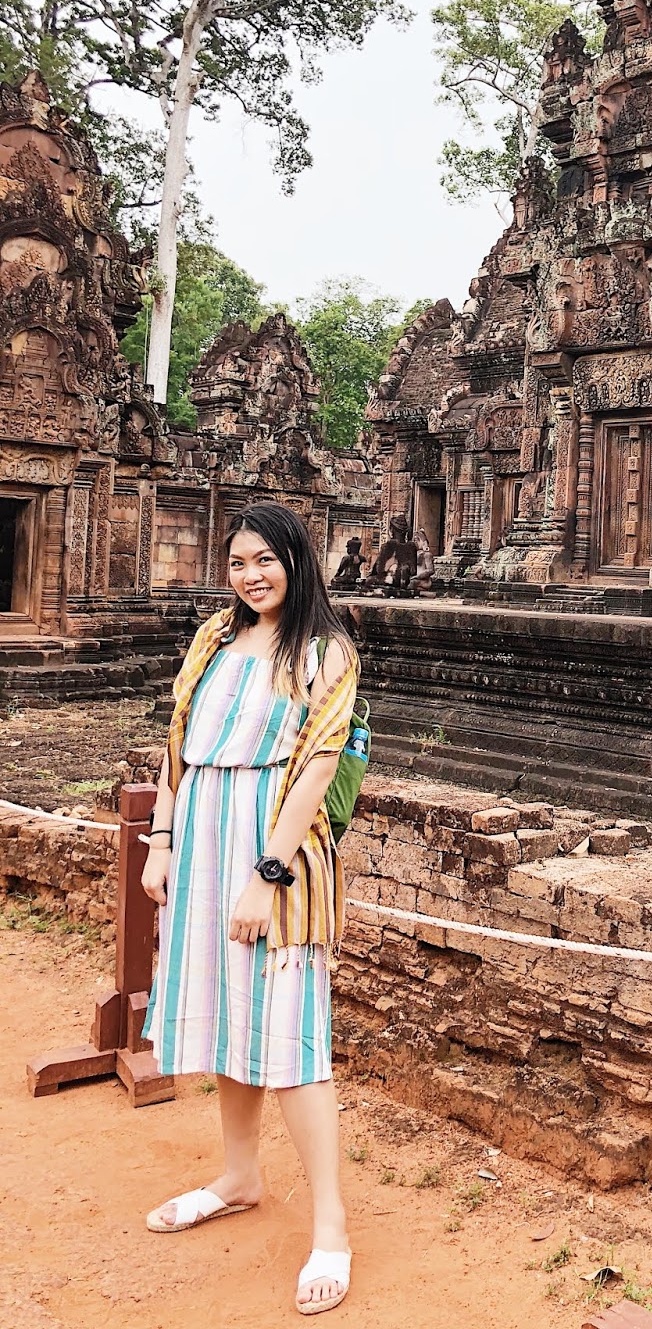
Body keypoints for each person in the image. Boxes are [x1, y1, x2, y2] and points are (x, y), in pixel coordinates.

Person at [141, 501, 359, 1316]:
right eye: (238, 563)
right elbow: (177, 741)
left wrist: (265, 877)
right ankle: (238, 1176)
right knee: (229, 1014)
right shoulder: (214, 638)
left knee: (293, 1032)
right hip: (199, 832)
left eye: (266, 560)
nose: (251, 575)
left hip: (275, 845)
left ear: (299, 561)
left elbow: (314, 769)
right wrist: (162, 843)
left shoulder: (325, 652)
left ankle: (329, 1224)